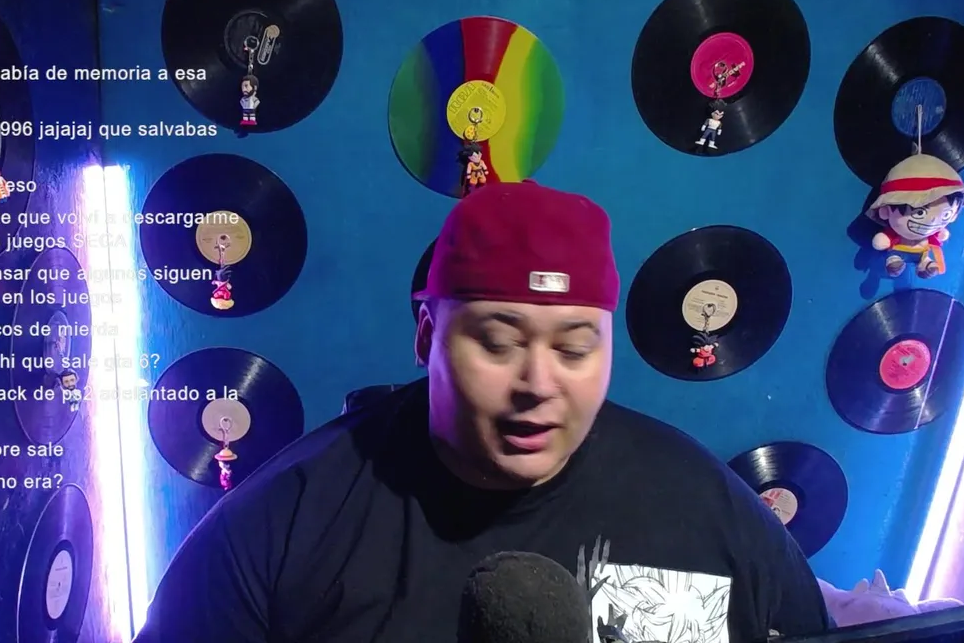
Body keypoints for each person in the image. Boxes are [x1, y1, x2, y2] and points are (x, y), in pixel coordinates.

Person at [135, 181, 831, 643]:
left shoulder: (701, 504)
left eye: (575, 347)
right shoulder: (282, 526)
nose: (539, 383)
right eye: (498, 342)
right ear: (426, 335)